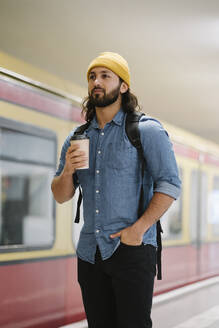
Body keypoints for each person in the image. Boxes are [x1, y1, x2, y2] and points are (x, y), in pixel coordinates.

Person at [51, 52, 181, 328]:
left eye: (105, 76)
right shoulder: (78, 138)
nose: (96, 82)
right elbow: (62, 195)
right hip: (90, 252)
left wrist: (138, 229)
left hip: (132, 249)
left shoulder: (145, 131)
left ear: (123, 86)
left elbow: (169, 184)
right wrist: (67, 171)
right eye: (92, 77)